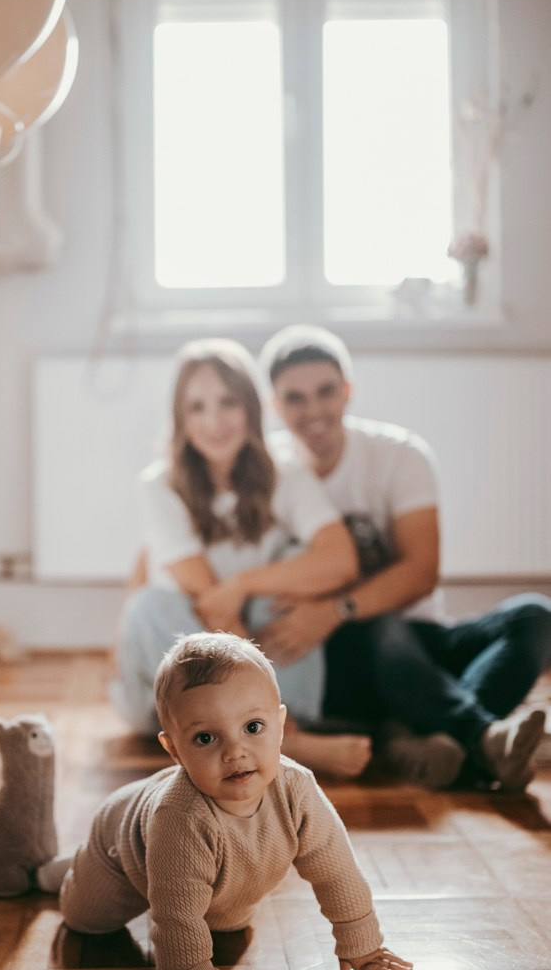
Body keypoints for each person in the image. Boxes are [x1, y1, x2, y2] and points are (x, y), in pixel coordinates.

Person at [217, 323, 551, 791]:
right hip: (335, 660)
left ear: (348, 391)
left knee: (534, 615)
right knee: (381, 625)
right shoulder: (265, 471)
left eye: (325, 392)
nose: (312, 409)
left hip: (420, 641)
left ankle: (413, 742)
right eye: (295, 398)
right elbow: (187, 533)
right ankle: (480, 735)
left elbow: (421, 573)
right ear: (274, 405)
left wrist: (336, 609)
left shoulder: (400, 455)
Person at [55, 632, 412, 970]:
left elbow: (337, 870)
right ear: (174, 750)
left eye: (253, 727)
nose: (234, 752)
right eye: (205, 738)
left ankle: (79, 864)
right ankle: (60, 869)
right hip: (118, 854)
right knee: (85, 918)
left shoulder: (297, 788)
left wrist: (362, 944)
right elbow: (176, 921)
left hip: (220, 877)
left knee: (224, 921)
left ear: (280, 725)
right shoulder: (179, 819)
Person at [111, 337, 372, 779]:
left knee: (294, 566)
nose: (213, 421)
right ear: (181, 417)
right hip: (172, 694)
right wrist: (233, 600)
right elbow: (211, 604)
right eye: (197, 407)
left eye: (227, 402)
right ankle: (282, 740)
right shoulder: (159, 485)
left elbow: (341, 560)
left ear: (251, 407)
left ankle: (271, 727)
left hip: (257, 669)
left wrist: (246, 585)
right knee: (153, 606)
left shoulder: (285, 474)